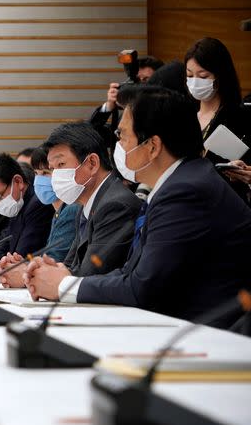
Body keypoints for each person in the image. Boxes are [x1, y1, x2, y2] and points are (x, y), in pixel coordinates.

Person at [25, 86, 251, 328]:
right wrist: (59, 277)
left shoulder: (186, 191)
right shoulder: (180, 182)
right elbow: (131, 273)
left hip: (212, 334)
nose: (118, 145)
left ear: (152, 146)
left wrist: (63, 285)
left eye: (123, 136)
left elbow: (142, 287)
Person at [0, 123, 141, 287]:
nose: (55, 177)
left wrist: (27, 275)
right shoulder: (86, 205)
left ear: (92, 163)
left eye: (61, 165)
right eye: (52, 169)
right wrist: (29, 268)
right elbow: (69, 266)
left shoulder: (115, 205)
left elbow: (90, 274)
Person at [0, 146, 82, 287]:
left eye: (46, 173)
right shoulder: (58, 211)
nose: (39, 179)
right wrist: (21, 264)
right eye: (36, 173)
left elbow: (55, 260)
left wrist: (23, 269)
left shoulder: (71, 209)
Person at [184, 37, 251, 203]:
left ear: (220, 76)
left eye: (203, 76)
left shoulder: (240, 117)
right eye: (189, 75)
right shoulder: (183, 115)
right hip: (186, 202)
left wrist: (243, 173)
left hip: (224, 205)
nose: (195, 82)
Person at [88, 55, 164, 148]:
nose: (140, 87)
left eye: (146, 80)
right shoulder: (125, 116)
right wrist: (108, 106)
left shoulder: (167, 113)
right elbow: (93, 135)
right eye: (137, 81)